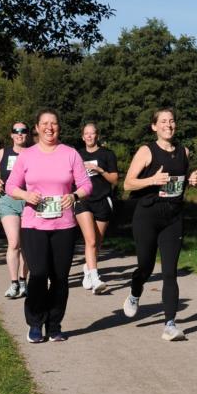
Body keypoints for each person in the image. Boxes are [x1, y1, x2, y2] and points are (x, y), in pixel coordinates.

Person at [5, 109, 92, 343]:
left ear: (59, 128)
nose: (49, 127)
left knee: (60, 277)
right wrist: (26, 195)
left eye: (53, 123)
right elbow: (10, 186)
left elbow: (85, 185)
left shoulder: (70, 154)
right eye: (44, 123)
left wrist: (74, 196)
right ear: (36, 127)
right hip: (34, 225)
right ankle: (35, 324)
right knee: (39, 274)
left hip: (64, 226)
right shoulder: (27, 156)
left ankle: (54, 325)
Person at [122, 108, 197, 341]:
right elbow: (128, 184)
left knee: (169, 272)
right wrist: (152, 180)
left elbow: (180, 181)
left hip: (173, 219)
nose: (169, 124)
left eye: (172, 121)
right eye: (163, 121)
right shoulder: (147, 151)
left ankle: (170, 324)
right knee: (145, 267)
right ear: (154, 126)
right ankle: (135, 292)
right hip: (147, 216)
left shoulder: (183, 152)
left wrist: (192, 180)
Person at [75, 122, 119, 294]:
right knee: (91, 240)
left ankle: (87, 269)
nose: (89, 136)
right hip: (83, 200)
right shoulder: (77, 155)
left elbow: (115, 180)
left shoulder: (107, 154)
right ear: (82, 136)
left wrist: (99, 169)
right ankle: (95, 278)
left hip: (102, 200)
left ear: (97, 136)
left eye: (92, 133)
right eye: (86, 133)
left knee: (97, 242)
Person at [0, 123, 31, 298]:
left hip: (28, 201)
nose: (20, 134)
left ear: (27, 135)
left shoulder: (33, 153)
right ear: (11, 135)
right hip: (7, 200)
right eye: (16, 131)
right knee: (14, 243)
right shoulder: (2, 153)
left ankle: (23, 281)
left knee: (26, 245)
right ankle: (13, 283)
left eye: (23, 131)